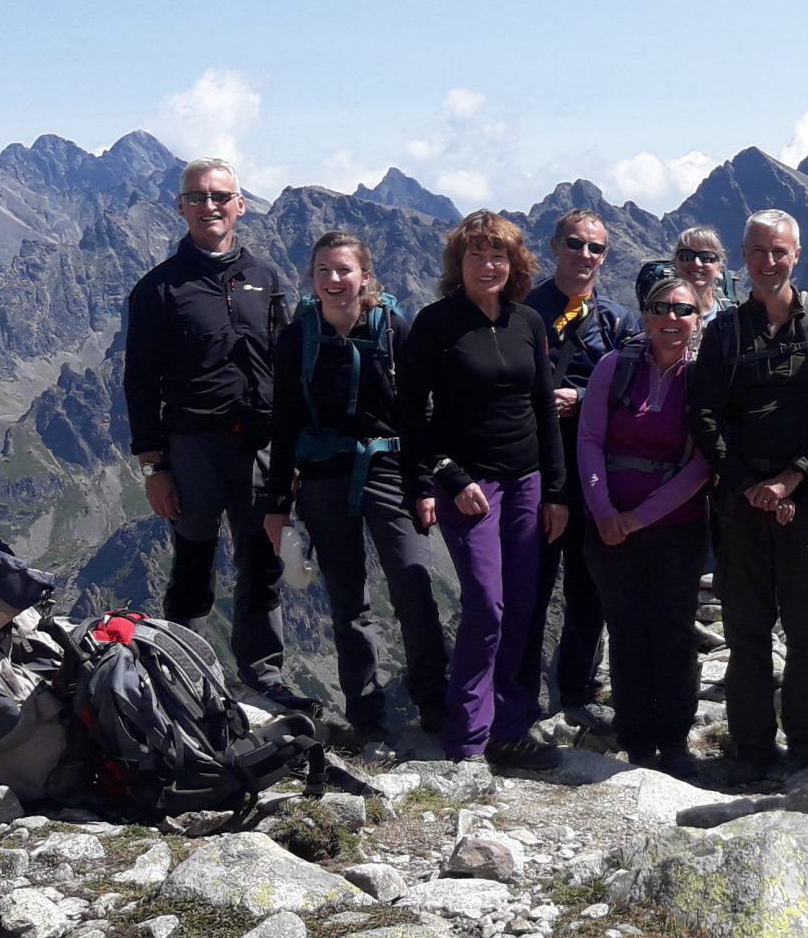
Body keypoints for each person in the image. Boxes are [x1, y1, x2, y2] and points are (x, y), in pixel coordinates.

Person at [684, 209, 808, 778]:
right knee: (746, 624)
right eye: (758, 251)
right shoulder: (724, 332)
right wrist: (748, 484)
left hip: (807, 498)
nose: (768, 262)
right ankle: (753, 743)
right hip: (742, 502)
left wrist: (792, 479)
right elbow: (704, 414)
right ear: (744, 256)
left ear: (797, 255)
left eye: (779, 251)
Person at [261, 232, 449, 746]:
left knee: (413, 582)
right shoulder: (298, 336)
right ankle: (368, 718)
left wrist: (425, 483)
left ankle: (434, 701)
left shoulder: (393, 328)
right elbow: (284, 420)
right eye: (323, 270)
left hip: (388, 469)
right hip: (323, 477)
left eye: (344, 270)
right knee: (348, 603)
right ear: (312, 278)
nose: (334, 279)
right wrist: (277, 502)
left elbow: (420, 410)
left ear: (365, 276)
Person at [396, 211, 569, 770]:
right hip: (468, 485)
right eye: (476, 255)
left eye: (498, 255)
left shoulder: (528, 323)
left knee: (521, 605)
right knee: (487, 606)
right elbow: (410, 414)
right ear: (458, 264)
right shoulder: (435, 324)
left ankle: (510, 726)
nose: (488, 265)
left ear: (515, 264)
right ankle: (467, 736)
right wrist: (449, 475)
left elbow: (544, 408)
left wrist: (557, 491)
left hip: (527, 482)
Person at [122, 158, 292, 704]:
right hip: (192, 446)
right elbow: (141, 383)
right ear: (181, 207)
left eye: (220, 196)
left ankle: (263, 673)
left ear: (240, 204)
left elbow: (288, 367)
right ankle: (184, 669)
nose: (209, 206)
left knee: (262, 558)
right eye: (197, 197)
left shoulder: (267, 279)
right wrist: (153, 467)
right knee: (193, 558)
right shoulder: (158, 289)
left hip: (261, 448)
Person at [580, 273, 715, 776]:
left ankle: (674, 739)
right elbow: (590, 441)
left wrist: (636, 518)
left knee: (673, 630)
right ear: (646, 315)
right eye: (661, 308)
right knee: (628, 630)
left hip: (676, 527)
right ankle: (635, 738)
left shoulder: (702, 380)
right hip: (610, 524)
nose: (671, 319)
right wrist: (604, 513)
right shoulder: (614, 368)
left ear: (699, 319)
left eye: (683, 310)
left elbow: (703, 463)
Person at [522, 209, 636, 715]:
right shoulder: (524, 311)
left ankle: (577, 691)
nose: (585, 255)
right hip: (537, 468)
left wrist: (582, 395)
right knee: (532, 588)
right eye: (575, 243)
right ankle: (519, 695)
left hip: (594, 472)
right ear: (554, 246)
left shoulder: (616, 320)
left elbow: (635, 390)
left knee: (588, 590)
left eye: (596, 248)